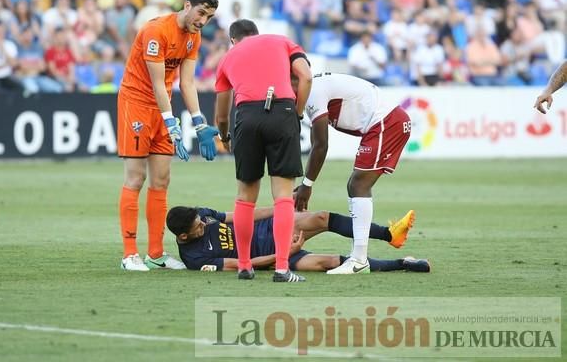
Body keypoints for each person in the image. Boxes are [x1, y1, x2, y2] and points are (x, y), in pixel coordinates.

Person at [118, 0, 220, 272]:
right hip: (136, 103)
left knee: (161, 180)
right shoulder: (156, 31)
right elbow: (155, 82)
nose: (203, 20)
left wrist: (199, 122)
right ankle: (129, 255)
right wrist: (171, 122)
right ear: (187, 5)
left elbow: (186, 83)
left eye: (209, 17)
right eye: (200, 12)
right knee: (135, 178)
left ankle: (156, 253)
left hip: (162, 107)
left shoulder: (194, 37)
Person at [215, 19, 313, 283]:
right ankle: (282, 268)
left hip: (246, 116)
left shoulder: (228, 57)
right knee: (282, 195)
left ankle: (244, 266)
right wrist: (298, 112)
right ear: (256, 34)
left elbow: (221, 114)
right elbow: (306, 76)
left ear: (233, 39)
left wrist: (224, 137)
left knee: (245, 196)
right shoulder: (282, 41)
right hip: (281, 110)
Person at [294, 72, 411, 275]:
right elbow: (316, 142)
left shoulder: (313, 92)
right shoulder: (313, 86)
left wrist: (307, 185)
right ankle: (361, 256)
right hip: (384, 122)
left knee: (358, 185)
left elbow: (321, 145)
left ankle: (359, 260)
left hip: (386, 123)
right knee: (355, 185)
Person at [166, 205, 429, 273]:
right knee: (327, 263)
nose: (203, 223)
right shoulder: (194, 258)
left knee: (320, 218)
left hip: (269, 227)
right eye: (199, 227)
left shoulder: (199, 214)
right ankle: (403, 263)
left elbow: (242, 215)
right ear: (184, 236)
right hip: (271, 256)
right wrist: (285, 254)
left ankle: (389, 234)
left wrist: (281, 207)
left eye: (202, 221)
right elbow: (243, 265)